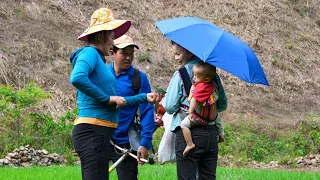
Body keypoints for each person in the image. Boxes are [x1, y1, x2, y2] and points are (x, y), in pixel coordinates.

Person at [69, 8, 161, 180]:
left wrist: (143, 97)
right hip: (93, 131)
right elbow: (77, 77)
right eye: (111, 36)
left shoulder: (101, 63)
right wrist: (106, 98)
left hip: (103, 134)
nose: (112, 40)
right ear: (100, 36)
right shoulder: (90, 53)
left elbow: (116, 101)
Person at [163, 42, 227, 180]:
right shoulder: (213, 75)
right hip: (211, 134)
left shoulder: (181, 74)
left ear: (190, 52)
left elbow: (169, 106)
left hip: (189, 134)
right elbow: (222, 105)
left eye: (178, 54)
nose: (176, 58)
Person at [107, 35, 155, 180]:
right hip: (101, 138)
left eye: (131, 54)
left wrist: (145, 142)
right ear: (113, 53)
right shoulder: (101, 75)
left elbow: (147, 111)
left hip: (125, 143)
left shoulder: (139, 78)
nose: (128, 57)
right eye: (124, 53)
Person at [180, 61, 225, 156]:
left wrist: (191, 112)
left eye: (197, 76)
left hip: (200, 117)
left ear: (207, 79)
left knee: (184, 125)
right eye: (194, 75)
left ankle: (189, 144)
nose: (194, 78)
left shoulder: (200, 88)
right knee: (219, 120)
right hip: (212, 116)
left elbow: (194, 101)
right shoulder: (213, 84)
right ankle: (221, 135)